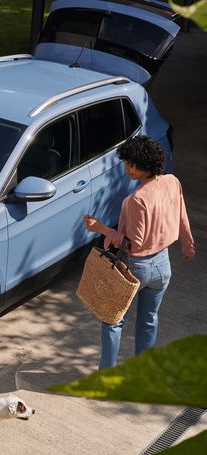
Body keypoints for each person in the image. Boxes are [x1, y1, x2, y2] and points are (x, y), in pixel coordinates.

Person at [83, 134, 195, 369]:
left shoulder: (136, 200)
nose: (128, 169)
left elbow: (134, 244)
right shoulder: (173, 181)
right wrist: (187, 245)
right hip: (163, 266)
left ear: (146, 164)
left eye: (132, 164)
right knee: (149, 318)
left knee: (112, 321)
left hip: (136, 268)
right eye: (126, 163)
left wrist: (100, 228)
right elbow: (182, 215)